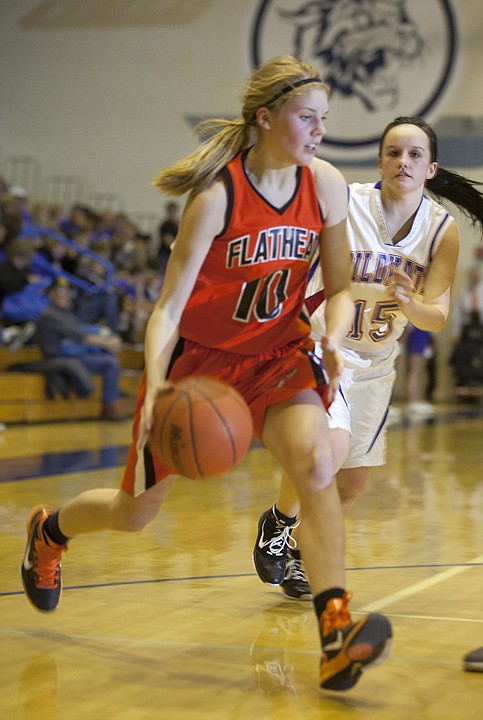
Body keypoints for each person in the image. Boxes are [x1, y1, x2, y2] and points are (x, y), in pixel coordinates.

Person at [20, 55, 392, 693]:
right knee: (133, 514)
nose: (319, 131)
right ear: (266, 118)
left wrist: (332, 336)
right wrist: (159, 383)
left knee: (317, 467)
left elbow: (337, 288)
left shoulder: (324, 184)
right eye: (308, 117)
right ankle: (48, 533)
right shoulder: (217, 196)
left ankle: (335, 634)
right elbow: (166, 309)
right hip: (202, 371)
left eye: (324, 119)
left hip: (278, 356)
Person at [253, 115, 483, 601]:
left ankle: (298, 553)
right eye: (394, 152)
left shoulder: (441, 232)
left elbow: (436, 317)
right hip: (320, 345)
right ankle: (280, 520)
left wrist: (410, 303)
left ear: (431, 168)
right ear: (380, 161)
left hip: (377, 360)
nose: (403, 161)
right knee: (328, 450)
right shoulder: (345, 202)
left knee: (351, 484)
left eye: (414, 154)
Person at [37, 277, 125, 420]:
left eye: (67, 291)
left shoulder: (65, 313)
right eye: (60, 291)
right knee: (110, 363)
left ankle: (113, 396)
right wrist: (106, 343)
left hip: (71, 356)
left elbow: (81, 330)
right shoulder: (50, 314)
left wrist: (106, 338)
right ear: (50, 294)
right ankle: (109, 406)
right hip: (59, 359)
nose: (64, 295)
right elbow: (79, 336)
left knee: (110, 358)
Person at [405, 325, 435, 416]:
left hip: (425, 337)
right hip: (417, 337)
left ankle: (418, 399)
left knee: (421, 372)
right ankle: (413, 401)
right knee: (415, 371)